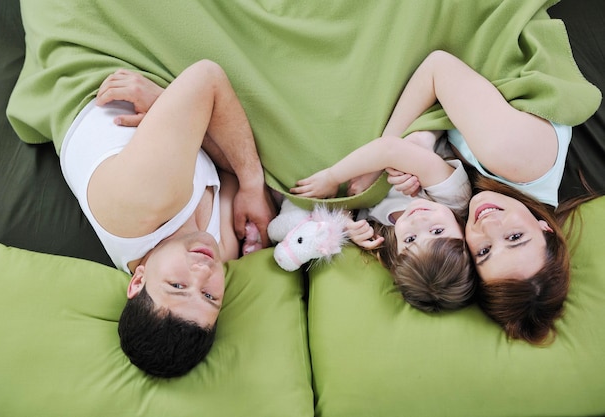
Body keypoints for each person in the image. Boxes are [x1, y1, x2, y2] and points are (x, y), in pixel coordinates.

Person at [317, 49, 592, 344]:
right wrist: (383, 160)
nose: (488, 226)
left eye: (483, 251)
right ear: (545, 227)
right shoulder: (517, 160)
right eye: (514, 237)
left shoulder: (483, 199)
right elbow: (438, 67)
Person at [59, 60, 276, 378]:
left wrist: (253, 181)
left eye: (177, 285)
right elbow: (229, 164)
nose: (202, 273)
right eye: (209, 296)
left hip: (98, 72)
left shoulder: (141, 203)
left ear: (138, 281)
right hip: (170, 86)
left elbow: (208, 77)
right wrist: (172, 105)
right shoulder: (221, 249)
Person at [291, 128, 475, 312]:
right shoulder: (455, 198)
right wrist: (332, 177)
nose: (419, 222)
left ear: (396, 252)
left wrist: (347, 225)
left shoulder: (383, 231)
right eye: (437, 231)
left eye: (410, 240)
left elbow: (339, 202)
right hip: (405, 124)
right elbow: (391, 150)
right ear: (463, 235)